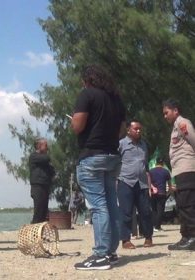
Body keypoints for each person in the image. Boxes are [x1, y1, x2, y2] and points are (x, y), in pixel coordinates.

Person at [71, 64, 126, 270]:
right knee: (112, 203)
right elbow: (121, 130)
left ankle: (101, 254)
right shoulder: (116, 99)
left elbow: (78, 126)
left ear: (87, 79)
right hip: (112, 155)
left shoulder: (87, 95)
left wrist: (74, 121)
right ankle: (111, 251)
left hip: (92, 155)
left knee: (97, 205)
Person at [163, 99, 195, 250]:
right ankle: (186, 236)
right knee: (182, 204)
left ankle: (192, 237)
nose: (165, 116)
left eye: (166, 112)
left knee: (188, 204)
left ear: (175, 110)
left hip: (187, 168)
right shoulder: (175, 127)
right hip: (180, 170)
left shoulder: (183, 123)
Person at [117, 120, 154, 249]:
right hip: (126, 182)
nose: (138, 131)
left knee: (145, 212)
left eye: (140, 129)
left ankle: (148, 237)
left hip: (142, 183)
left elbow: (146, 165)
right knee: (126, 212)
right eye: (136, 129)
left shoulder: (144, 145)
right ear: (128, 130)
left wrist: (150, 184)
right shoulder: (121, 144)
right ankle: (126, 240)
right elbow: (115, 162)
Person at [29, 138, 55, 224]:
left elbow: (52, 171)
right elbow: (46, 158)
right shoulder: (34, 156)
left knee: (44, 211)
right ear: (39, 146)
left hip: (45, 186)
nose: (47, 147)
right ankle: (33, 232)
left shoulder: (44, 160)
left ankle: (40, 233)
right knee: (38, 211)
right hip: (37, 186)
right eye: (45, 145)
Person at [149, 157, 172, 232]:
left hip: (153, 192)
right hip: (162, 192)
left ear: (156, 162)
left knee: (154, 210)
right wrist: (170, 191)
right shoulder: (166, 171)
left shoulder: (151, 171)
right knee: (160, 210)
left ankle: (153, 225)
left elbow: (148, 182)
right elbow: (169, 184)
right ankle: (157, 226)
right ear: (163, 163)